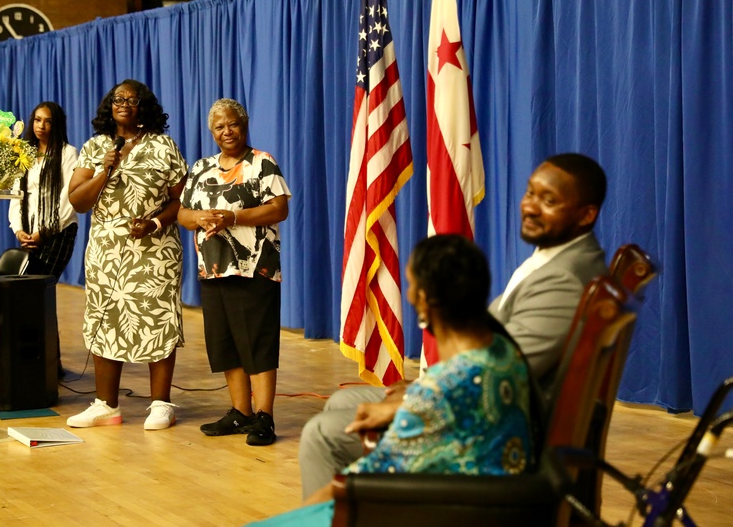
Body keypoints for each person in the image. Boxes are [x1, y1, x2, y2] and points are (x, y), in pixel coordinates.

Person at [298, 152, 607, 498]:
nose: (530, 206)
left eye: (548, 200)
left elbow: (497, 373)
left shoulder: (564, 279)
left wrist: (417, 398)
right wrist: (425, 386)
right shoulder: (560, 256)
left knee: (323, 434)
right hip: (487, 399)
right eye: (531, 193)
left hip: (496, 430)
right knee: (344, 402)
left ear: (586, 214)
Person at [256, 234, 534, 526]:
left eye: (412, 285)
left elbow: (354, 484)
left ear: (425, 300)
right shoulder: (504, 352)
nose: (410, 294)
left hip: (439, 508)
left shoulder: (439, 391)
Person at [66, 80, 187, 430]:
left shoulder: (163, 147)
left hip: (156, 247)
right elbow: (78, 201)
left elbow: (183, 200)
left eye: (133, 100)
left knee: (158, 317)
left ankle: (161, 403)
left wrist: (154, 223)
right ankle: (106, 405)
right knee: (106, 317)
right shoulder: (96, 147)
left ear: (143, 107)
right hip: (107, 248)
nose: (124, 104)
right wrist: (106, 170)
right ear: (110, 105)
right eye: (119, 99)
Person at [177, 98, 291, 446]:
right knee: (225, 343)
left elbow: (279, 209)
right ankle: (240, 412)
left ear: (244, 124)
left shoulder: (262, 163)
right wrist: (200, 218)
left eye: (233, 124)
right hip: (214, 268)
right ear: (212, 132)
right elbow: (183, 214)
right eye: (219, 127)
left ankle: (264, 417)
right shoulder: (201, 168)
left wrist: (233, 217)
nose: (227, 132)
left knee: (257, 342)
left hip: (256, 268)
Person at [9, 101, 79, 278]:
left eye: (48, 121)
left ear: (56, 125)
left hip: (59, 230)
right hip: (30, 229)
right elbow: (17, 194)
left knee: (41, 285)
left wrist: (45, 231)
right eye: (37, 120)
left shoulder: (68, 153)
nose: (41, 126)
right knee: (28, 286)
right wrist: (18, 229)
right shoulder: (25, 153)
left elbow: (68, 197)